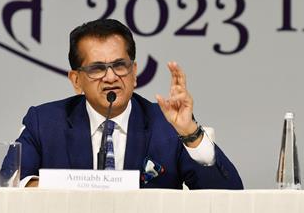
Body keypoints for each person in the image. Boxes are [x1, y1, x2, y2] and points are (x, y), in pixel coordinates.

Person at [15, 19, 243, 189]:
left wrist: (189, 133)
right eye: (97, 69)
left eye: (120, 66)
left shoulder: (166, 125)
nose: (111, 77)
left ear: (134, 73)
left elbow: (229, 196)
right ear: (76, 80)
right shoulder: (45, 122)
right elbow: (9, 182)